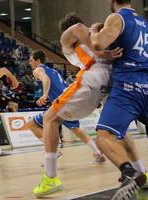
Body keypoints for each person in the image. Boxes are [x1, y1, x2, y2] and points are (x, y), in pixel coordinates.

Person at [32, 13, 123, 197]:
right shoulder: (99, 34)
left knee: (50, 118)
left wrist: (98, 51)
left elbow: (78, 28)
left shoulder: (69, 39)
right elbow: (91, 28)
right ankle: (138, 170)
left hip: (89, 83)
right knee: (116, 133)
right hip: (109, 86)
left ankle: (50, 178)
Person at [90, 0, 148, 198]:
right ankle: (141, 176)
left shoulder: (118, 17)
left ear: (112, 2)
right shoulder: (145, 23)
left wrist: (94, 31)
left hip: (127, 87)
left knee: (104, 137)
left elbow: (98, 43)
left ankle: (129, 173)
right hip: (147, 84)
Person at [27, 50, 106, 164]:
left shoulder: (37, 70)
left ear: (38, 61)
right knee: (76, 129)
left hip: (62, 103)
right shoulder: (53, 70)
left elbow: (46, 79)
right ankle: (98, 153)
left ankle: (53, 152)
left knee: (32, 124)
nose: (30, 63)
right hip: (71, 98)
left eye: (31, 60)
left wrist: (44, 94)